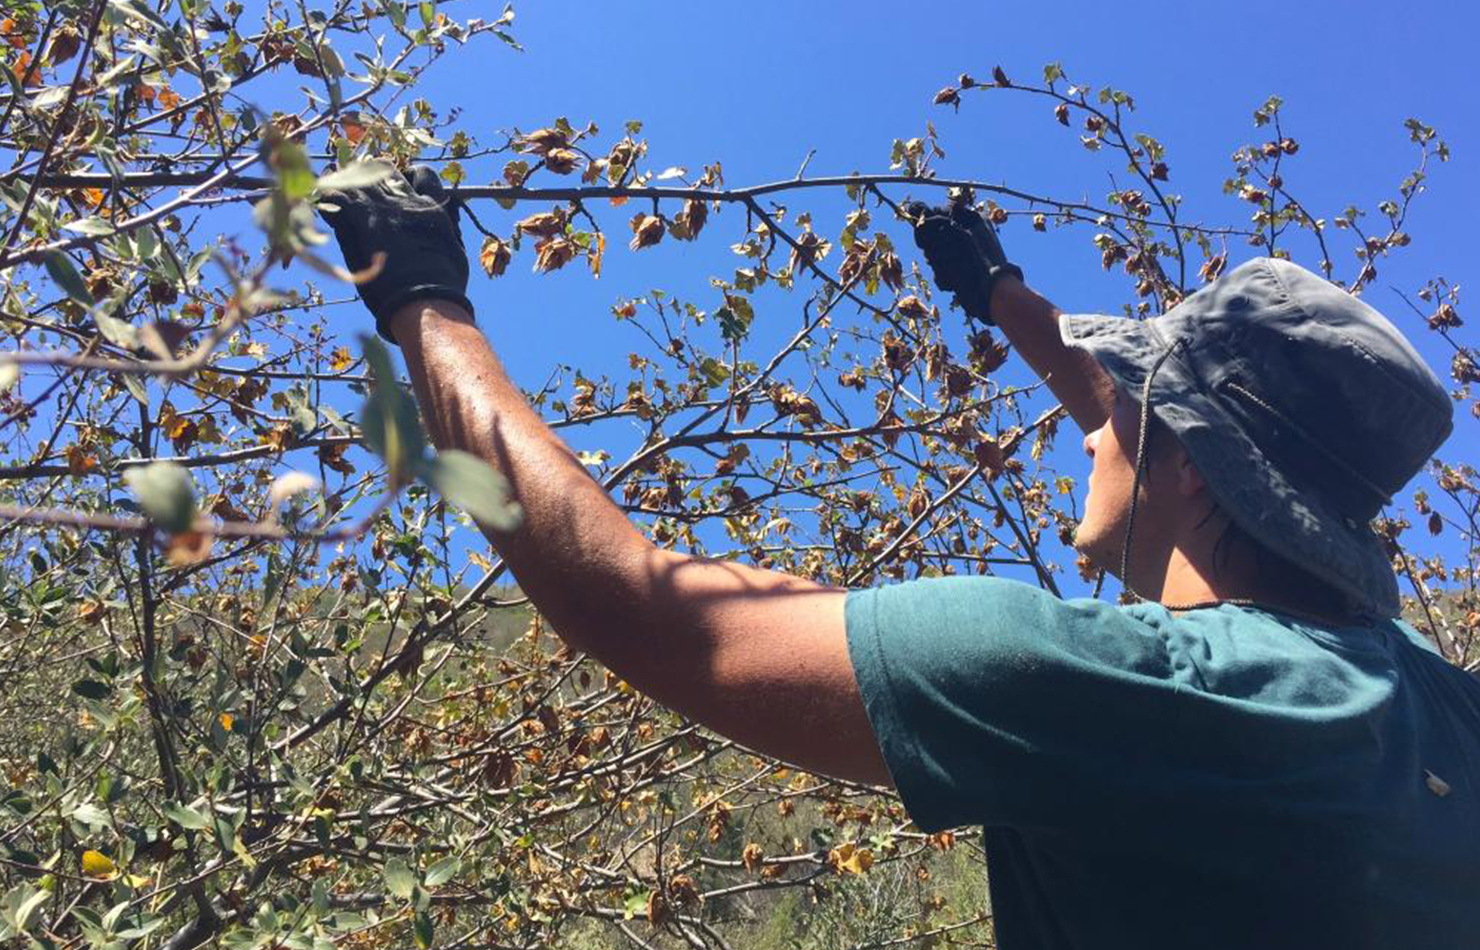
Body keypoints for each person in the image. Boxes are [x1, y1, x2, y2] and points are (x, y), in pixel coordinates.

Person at [319, 169, 1480, 949]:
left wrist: (424, 301)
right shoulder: (1430, 704)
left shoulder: (1101, 689)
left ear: (1190, 471)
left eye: (1127, 412)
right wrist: (997, 293)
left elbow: (640, 604)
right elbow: (1132, 427)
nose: (1087, 429)